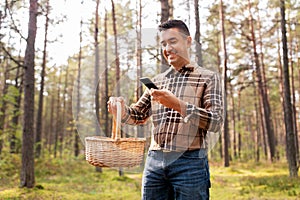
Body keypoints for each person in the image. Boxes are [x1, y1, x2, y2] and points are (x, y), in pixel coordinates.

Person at [107, 19, 223, 200]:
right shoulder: (158, 81)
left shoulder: (208, 78)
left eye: (173, 41)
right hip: (155, 160)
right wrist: (120, 110)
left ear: (188, 41)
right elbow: (137, 115)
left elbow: (215, 122)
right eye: (163, 44)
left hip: (190, 162)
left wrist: (178, 105)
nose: (167, 48)